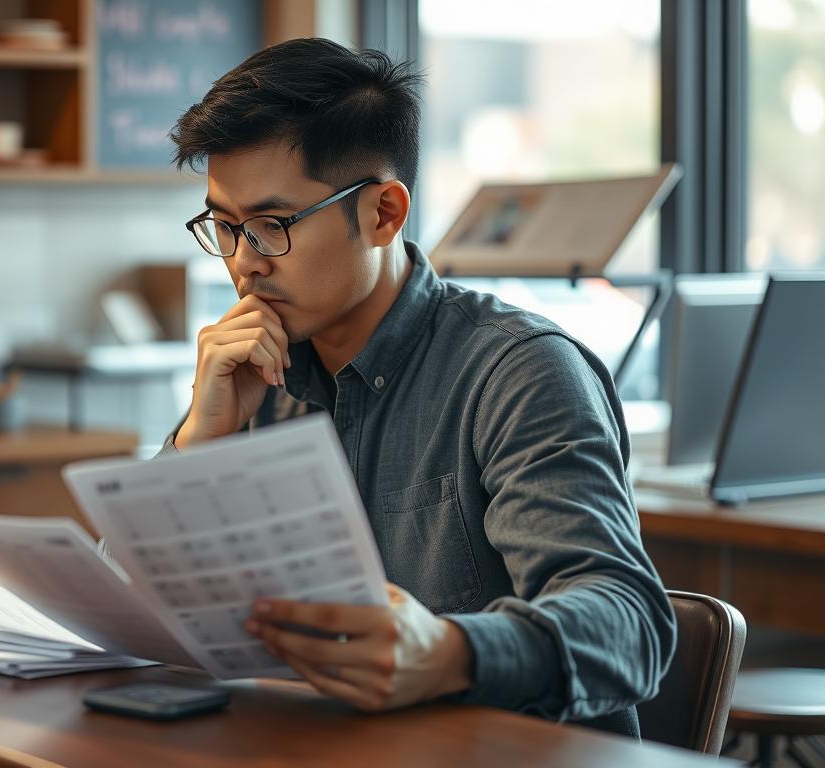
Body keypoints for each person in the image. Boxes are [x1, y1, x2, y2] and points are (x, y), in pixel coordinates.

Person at [163, 37, 675, 736]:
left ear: (384, 213)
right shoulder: (256, 375)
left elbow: (630, 624)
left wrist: (449, 653)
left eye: (270, 226)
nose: (244, 264)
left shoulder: (519, 372)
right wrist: (200, 441)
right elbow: (129, 613)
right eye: (224, 227)